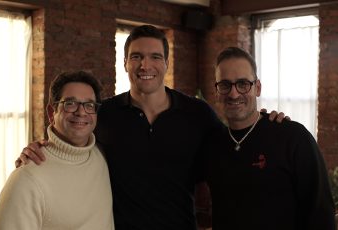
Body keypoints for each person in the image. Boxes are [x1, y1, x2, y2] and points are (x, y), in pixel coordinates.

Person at [15, 25, 285, 230]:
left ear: (166, 63)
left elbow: (233, 147)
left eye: (155, 57)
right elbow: (71, 139)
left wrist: (266, 124)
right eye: (136, 57)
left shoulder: (197, 113)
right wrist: (40, 149)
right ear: (125, 64)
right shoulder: (105, 113)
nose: (146, 65)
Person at [208, 46, 336, 230]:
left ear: (257, 88)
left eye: (243, 84)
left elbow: (321, 214)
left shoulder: (293, 138)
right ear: (216, 91)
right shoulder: (212, 143)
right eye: (225, 84)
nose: (234, 93)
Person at [0, 71, 114, 230]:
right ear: (51, 113)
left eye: (89, 105)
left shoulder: (102, 155)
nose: (81, 112)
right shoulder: (26, 180)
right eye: (70, 103)